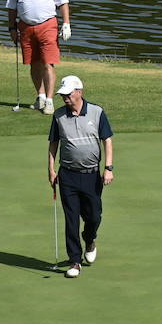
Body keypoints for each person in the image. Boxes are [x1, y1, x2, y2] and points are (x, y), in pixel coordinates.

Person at [48, 74, 113, 279]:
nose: (65, 98)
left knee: (93, 216)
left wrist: (108, 167)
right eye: (63, 95)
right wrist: (51, 169)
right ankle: (75, 261)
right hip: (68, 175)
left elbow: (107, 141)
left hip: (92, 175)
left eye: (68, 94)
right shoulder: (58, 116)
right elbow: (53, 144)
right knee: (71, 219)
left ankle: (90, 238)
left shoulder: (96, 112)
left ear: (79, 92)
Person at [7, 0, 71, 114]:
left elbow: (62, 1)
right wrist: (12, 28)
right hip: (25, 27)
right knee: (33, 63)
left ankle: (49, 100)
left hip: (47, 25)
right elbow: (12, 7)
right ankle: (40, 97)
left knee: (48, 63)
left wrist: (66, 23)